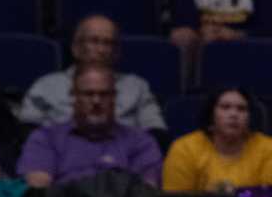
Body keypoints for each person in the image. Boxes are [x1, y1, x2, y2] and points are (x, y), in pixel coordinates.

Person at [18, 63, 162, 190]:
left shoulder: (141, 142)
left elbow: (146, 196)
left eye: (104, 94)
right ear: (74, 97)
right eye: (88, 94)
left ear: (114, 98)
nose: (96, 101)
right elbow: (38, 194)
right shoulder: (45, 139)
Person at [18, 13, 167, 132]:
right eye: (94, 41)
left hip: (122, 164)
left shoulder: (137, 87)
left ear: (117, 52)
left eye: (108, 43)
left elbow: (156, 134)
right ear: (75, 48)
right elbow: (27, 134)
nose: (102, 50)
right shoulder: (46, 86)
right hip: (60, 165)